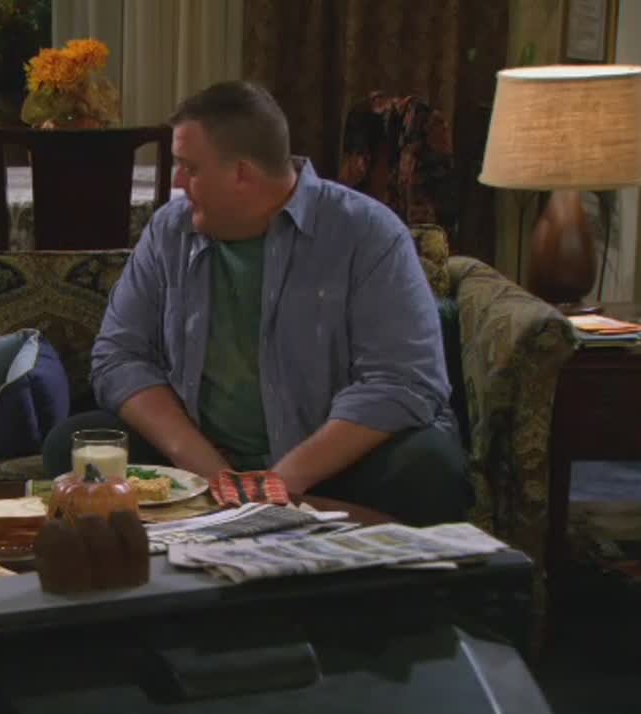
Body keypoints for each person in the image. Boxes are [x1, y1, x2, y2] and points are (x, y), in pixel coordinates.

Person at [43, 81, 471, 526]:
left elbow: (402, 381)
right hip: (200, 462)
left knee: (430, 467)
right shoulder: (169, 232)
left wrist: (284, 480)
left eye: (189, 168)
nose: (177, 183)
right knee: (72, 445)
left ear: (241, 173)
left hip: (331, 466)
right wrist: (209, 468)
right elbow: (119, 356)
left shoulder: (368, 234)